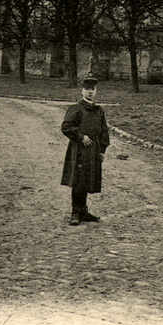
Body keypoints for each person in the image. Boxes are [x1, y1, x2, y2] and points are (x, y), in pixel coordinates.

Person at [61, 77, 110, 226]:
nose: (90, 92)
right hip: (79, 150)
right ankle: (75, 212)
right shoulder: (76, 108)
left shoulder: (99, 110)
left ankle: (84, 211)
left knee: (88, 179)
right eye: (87, 89)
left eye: (92, 89)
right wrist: (81, 137)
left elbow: (104, 131)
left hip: (93, 150)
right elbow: (66, 127)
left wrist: (102, 150)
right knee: (78, 180)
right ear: (82, 91)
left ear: (96, 91)